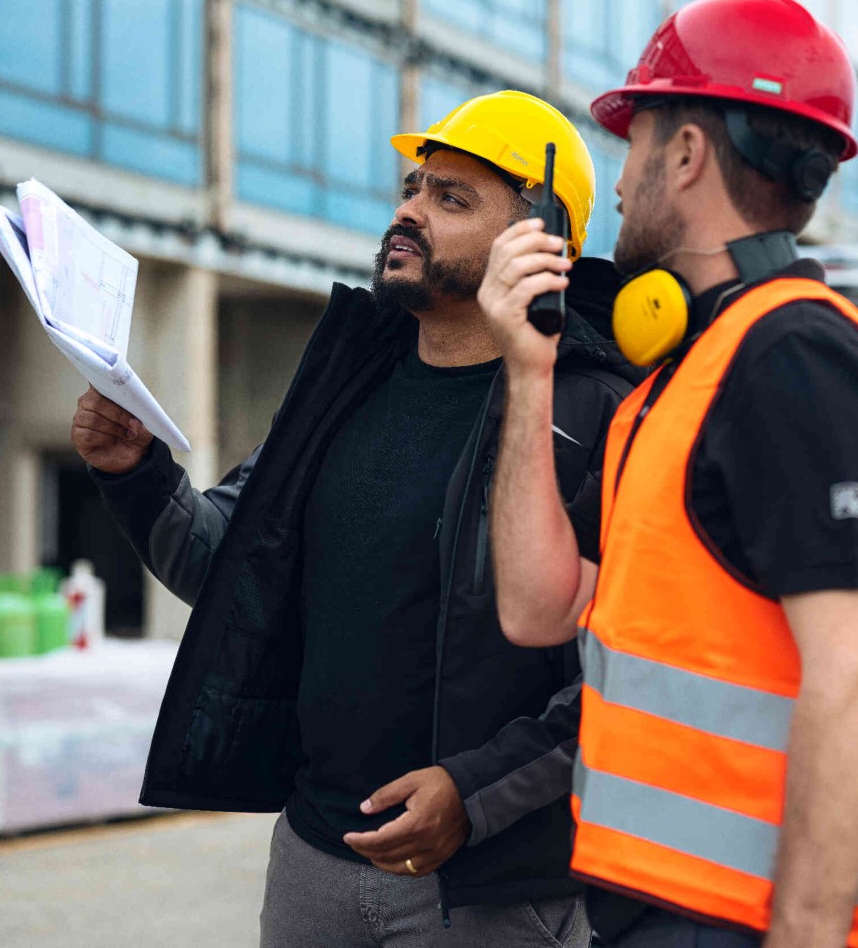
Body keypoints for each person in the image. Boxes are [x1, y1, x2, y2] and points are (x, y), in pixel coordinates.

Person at [70, 90, 639, 947]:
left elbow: (625, 668)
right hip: (311, 859)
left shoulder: (592, 415)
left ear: (541, 244)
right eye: (414, 187)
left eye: (453, 199)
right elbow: (235, 568)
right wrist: (138, 474)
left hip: (488, 891)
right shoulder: (349, 381)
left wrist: (474, 795)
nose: (410, 211)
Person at [479, 0, 858, 948]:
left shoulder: (796, 362)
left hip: (742, 924)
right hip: (655, 909)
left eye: (635, 144)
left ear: (686, 155)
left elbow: (853, 675)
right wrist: (529, 376)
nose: (617, 186)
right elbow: (539, 609)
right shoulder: (689, 376)